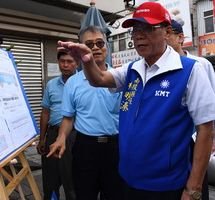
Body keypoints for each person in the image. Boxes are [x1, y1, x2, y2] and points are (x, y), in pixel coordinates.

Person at [54, 2, 215, 200]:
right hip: (128, 179)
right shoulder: (133, 69)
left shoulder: (191, 70)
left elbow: (206, 130)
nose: (139, 35)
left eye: (147, 28)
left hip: (165, 185)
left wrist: (193, 188)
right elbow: (99, 80)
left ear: (167, 31)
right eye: (135, 29)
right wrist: (86, 60)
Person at [47, 26, 123, 200]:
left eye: (99, 43)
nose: (95, 47)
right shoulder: (73, 82)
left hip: (115, 147)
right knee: (83, 193)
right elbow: (68, 117)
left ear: (107, 46)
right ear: (81, 49)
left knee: (115, 194)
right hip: (85, 147)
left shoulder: (120, 77)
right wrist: (61, 139)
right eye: (89, 44)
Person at [168, 19, 215, 200]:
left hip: (196, 137)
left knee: (196, 184)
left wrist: (213, 137)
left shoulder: (200, 64)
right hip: (172, 139)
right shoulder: (159, 66)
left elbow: (212, 102)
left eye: (168, 35)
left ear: (180, 37)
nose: (164, 40)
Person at [37, 51, 78, 200]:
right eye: (62, 61)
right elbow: (45, 112)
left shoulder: (84, 82)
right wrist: (42, 138)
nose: (66, 65)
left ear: (77, 63)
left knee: (71, 179)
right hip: (52, 136)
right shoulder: (51, 84)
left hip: (74, 136)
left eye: (70, 61)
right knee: (50, 178)